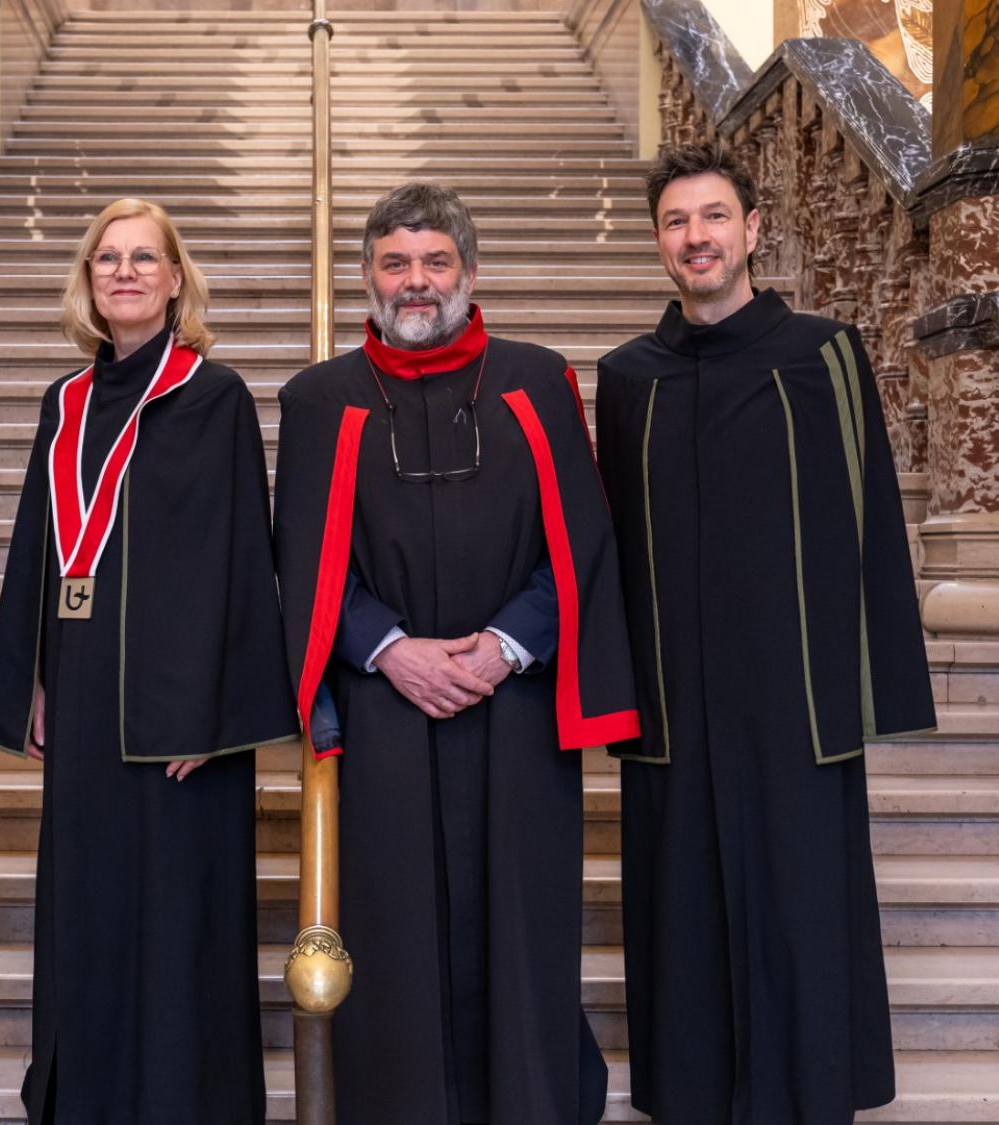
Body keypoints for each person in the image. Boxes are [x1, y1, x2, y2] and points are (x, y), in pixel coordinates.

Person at [273, 181, 640, 1125]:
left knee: (522, 919)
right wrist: (390, 650)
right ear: (367, 277)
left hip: (514, 703)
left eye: (436, 262)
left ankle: (531, 1100)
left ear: (470, 274)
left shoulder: (536, 381)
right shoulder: (320, 400)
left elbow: (583, 543)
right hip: (387, 706)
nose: (417, 282)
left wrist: (507, 645)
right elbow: (303, 559)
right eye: (396, 263)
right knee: (392, 926)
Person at [595, 142, 935, 1123]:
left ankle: (807, 1084)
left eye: (711, 218)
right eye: (674, 222)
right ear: (658, 243)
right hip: (672, 696)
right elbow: (608, 543)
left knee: (797, 899)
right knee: (681, 899)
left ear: (750, 231)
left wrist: (870, 690)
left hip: (795, 696)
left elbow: (869, 513)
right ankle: (692, 1087)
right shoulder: (627, 378)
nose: (693, 237)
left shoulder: (820, 353)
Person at [0, 198, 294, 1124]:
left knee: (176, 917)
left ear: (173, 280)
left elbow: (241, 557)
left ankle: (183, 1099)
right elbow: (41, 541)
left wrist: (212, 710)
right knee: (88, 904)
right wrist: (34, 672)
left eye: (143, 259)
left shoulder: (213, 395)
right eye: (107, 259)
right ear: (88, 281)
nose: (123, 272)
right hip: (81, 686)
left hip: (177, 711)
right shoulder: (64, 402)